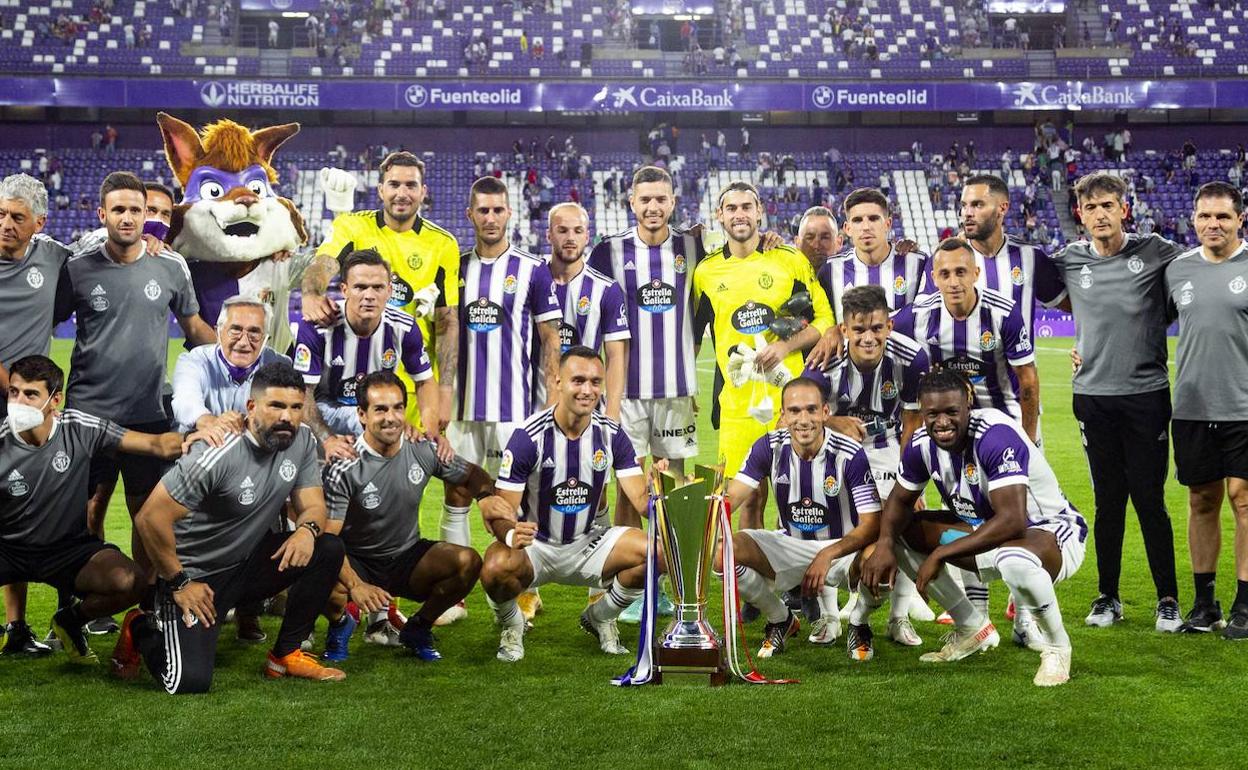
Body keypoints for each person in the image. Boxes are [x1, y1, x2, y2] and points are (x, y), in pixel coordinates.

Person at [115, 363, 348, 693]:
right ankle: (141, 626)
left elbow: (313, 506)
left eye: (296, 407)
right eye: (277, 406)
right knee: (186, 683)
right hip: (194, 577)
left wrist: (306, 531)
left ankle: (286, 654)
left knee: (327, 548)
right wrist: (180, 582)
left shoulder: (302, 441)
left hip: (245, 566)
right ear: (252, 407)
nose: (288, 417)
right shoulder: (217, 450)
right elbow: (150, 517)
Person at [861, 369, 1088, 687]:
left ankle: (1057, 648)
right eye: (932, 414)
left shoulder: (995, 434)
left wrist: (941, 553)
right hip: (984, 532)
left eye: (951, 412)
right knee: (898, 532)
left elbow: (1012, 520)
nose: (942, 423)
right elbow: (899, 503)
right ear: (922, 412)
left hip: (1050, 534)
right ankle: (971, 628)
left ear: (968, 405)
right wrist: (884, 542)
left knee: (1014, 560)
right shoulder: (921, 444)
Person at [1048, 172, 1184, 631]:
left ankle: (1168, 599)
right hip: (1092, 397)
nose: (1100, 214)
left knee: (1150, 498)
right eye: (1091, 208)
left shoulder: (1157, 251)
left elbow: (1194, 282)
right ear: (1080, 216)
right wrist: (1088, 336)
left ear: (1124, 209)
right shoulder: (1069, 259)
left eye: (1108, 205)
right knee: (1108, 501)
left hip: (1146, 396)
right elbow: (1032, 283)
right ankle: (1108, 597)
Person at [66, 172, 216, 575]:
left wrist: (238, 355)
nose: (129, 217)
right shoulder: (78, 268)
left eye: (138, 209)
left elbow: (194, 327)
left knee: (146, 510)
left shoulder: (170, 265)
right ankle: (82, 602)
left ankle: (145, 604)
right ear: (103, 214)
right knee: (89, 506)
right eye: (119, 209)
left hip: (147, 409)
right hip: (87, 413)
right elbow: (43, 317)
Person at [2, 355, 194, 665]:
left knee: (129, 581)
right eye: (13, 392)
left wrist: (198, 438)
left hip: (66, 550)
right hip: (9, 549)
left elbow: (156, 445)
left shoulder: (79, 427)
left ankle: (71, 620)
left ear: (55, 400)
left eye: (30, 394)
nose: (18, 402)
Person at [478, 347, 656, 662]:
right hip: (537, 547)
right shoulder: (527, 437)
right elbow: (504, 513)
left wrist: (660, 490)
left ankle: (600, 615)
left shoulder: (612, 434)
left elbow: (642, 503)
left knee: (657, 552)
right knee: (494, 568)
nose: (587, 390)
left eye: (595, 382)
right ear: (558, 381)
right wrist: (510, 534)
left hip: (588, 543)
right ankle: (513, 624)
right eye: (578, 380)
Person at [442, 175, 561, 623]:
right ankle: (453, 592)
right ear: (470, 215)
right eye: (483, 210)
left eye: (498, 210)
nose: (491, 218)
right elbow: (444, 333)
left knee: (517, 501)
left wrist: (551, 400)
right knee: (457, 492)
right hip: (464, 409)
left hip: (516, 409)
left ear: (509, 213)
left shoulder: (531, 269)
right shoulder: (454, 266)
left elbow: (551, 339)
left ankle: (522, 590)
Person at [321, 372, 493, 661]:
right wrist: (356, 584)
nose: (391, 417)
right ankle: (340, 626)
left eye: (398, 407)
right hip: (358, 560)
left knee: (467, 562)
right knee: (321, 574)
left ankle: (418, 627)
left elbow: (472, 474)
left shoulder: (422, 449)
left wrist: (485, 497)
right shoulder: (345, 465)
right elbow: (328, 540)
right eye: (380, 409)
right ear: (362, 414)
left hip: (406, 557)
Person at [718, 377, 887, 660]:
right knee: (723, 553)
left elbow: (871, 524)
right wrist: (702, 504)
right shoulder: (768, 446)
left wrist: (828, 554)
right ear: (783, 415)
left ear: (825, 412)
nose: (803, 419)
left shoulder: (850, 454)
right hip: (790, 546)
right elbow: (731, 499)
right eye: (794, 411)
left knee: (880, 560)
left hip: (842, 549)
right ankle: (781, 619)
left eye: (811, 410)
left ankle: (859, 623)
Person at [803, 285, 933, 640]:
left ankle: (898, 617)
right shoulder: (823, 362)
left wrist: (911, 483)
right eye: (859, 329)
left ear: (889, 326)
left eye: (876, 328)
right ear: (844, 330)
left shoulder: (911, 358)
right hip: (837, 448)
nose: (868, 337)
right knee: (825, 516)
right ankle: (829, 616)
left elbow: (911, 423)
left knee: (906, 519)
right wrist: (832, 421)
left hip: (890, 443)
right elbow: (805, 416)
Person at [691, 180, 833, 489]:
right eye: (731, 208)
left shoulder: (789, 259)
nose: (739, 215)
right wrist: (688, 390)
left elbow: (825, 320)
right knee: (745, 496)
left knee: (797, 490)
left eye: (746, 207)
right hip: (737, 405)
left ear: (760, 212)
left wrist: (785, 347)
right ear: (719, 215)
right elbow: (692, 339)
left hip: (790, 402)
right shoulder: (705, 273)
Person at [306, 153, 460, 436]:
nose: (402, 193)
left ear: (423, 191)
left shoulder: (443, 244)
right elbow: (322, 264)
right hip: (354, 381)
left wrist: (446, 390)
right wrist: (312, 292)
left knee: (411, 473)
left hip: (414, 381)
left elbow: (447, 322)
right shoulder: (352, 227)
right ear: (380, 190)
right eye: (394, 184)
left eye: (411, 185)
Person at [587, 166, 703, 528]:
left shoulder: (694, 246)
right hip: (627, 395)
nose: (653, 206)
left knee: (676, 485)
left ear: (673, 202)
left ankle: (671, 567)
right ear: (631, 202)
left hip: (676, 391)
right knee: (628, 487)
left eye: (660, 199)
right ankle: (631, 579)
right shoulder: (609, 251)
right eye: (645, 199)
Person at [1163, 182, 1248, 638]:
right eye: (1204, 217)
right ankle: (1204, 603)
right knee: (1201, 500)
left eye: (1222, 217)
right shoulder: (1178, 270)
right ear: (1193, 219)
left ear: (1240, 219)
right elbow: (1144, 322)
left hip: (1244, 405)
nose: (1212, 225)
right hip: (1193, 406)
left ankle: (1245, 605)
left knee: (1244, 500)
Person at [0, 173, 72, 653]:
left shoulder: (53, 255)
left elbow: (105, 249)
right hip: (20, 402)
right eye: (1, 215)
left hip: (27, 407)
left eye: (16, 217)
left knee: (35, 506)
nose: (5, 224)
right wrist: (19, 397)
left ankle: (26, 626)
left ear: (39, 223)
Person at [892, 238, 1039, 441]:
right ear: (934, 278)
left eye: (961, 272)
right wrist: (837, 331)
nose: (954, 283)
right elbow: (878, 326)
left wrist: (1029, 440)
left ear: (976, 273)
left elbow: (1028, 380)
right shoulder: (919, 315)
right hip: (947, 428)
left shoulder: (1003, 313)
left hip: (1002, 419)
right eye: (945, 274)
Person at [291, 248, 440, 446]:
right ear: (344, 290)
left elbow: (425, 382)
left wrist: (431, 433)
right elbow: (302, 395)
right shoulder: (317, 326)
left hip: (375, 412)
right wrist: (328, 440)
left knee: (404, 433)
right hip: (323, 411)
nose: (369, 296)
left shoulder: (404, 327)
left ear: (389, 291)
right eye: (360, 287)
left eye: (377, 288)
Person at [541, 202, 629, 418]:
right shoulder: (530, 279)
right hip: (533, 405)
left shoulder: (606, 289)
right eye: (562, 230)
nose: (570, 237)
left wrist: (612, 413)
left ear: (587, 236)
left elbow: (615, 356)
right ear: (549, 235)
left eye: (578, 231)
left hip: (586, 410)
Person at [960, 174, 1066, 342]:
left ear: (1002, 208)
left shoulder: (1031, 257)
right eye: (964, 206)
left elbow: (1072, 305)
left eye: (977, 205)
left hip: (1022, 368)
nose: (967, 213)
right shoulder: (948, 260)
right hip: (964, 367)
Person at [172, 294, 290, 434]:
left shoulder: (280, 366)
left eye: (254, 333)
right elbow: (185, 401)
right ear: (218, 332)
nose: (244, 342)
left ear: (265, 339)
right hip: (200, 448)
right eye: (235, 330)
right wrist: (212, 423)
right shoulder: (193, 361)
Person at [815, 188, 931, 326]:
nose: (866, 227)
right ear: (847, 229)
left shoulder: (917, 263)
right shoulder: (830, 269)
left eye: (873, 219)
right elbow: (820, 318)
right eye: (857, 220)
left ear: (888, 224)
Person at [795, 205, 843, 274]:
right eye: (809, 238)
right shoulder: (781, 280)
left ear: (839, 242)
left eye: (825, 238)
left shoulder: (857, 281)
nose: (817, 245)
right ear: (797, 243)